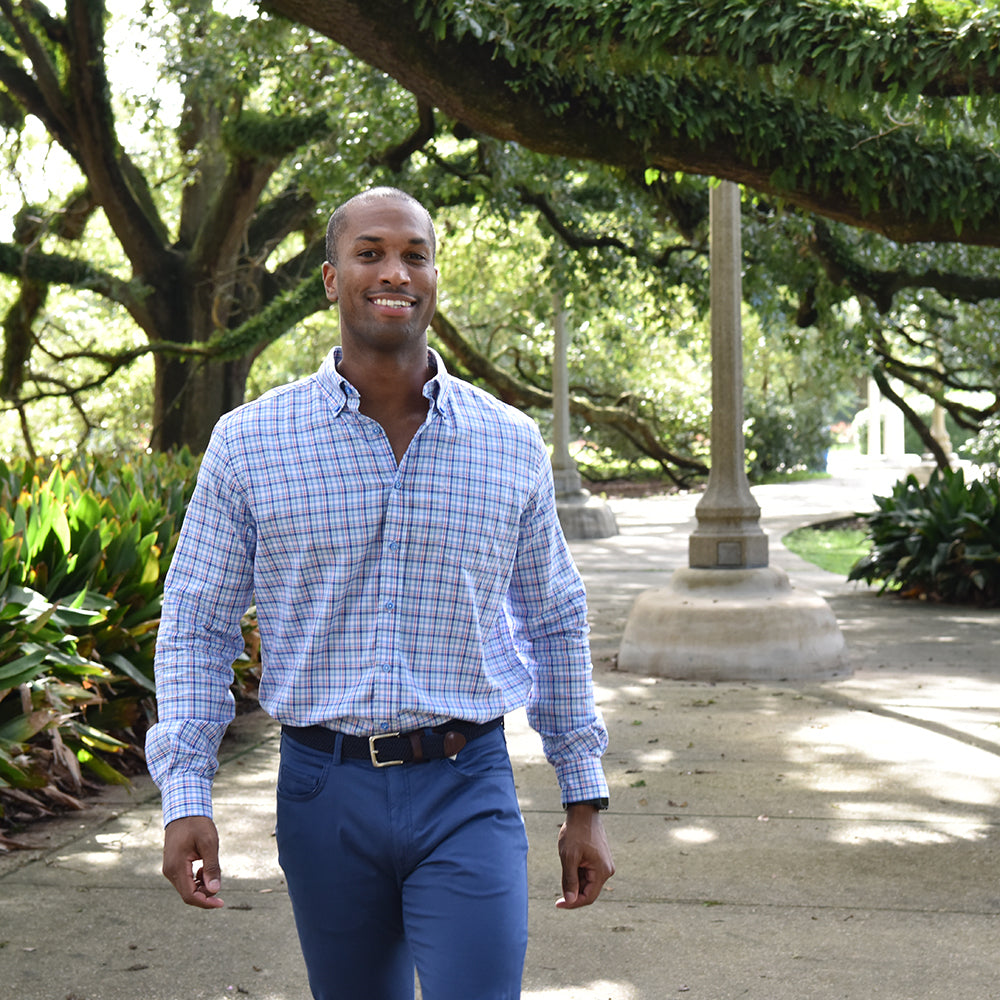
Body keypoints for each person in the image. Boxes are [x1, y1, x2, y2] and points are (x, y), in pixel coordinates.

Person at [146, 186, 614, 1000]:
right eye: (371, 253)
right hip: (323, 793)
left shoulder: (508, 442)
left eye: (414, 253)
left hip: (467, 783)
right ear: (332, 278)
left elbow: (554, 618)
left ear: (434, 277)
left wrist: (585, 795)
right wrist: (186, 794)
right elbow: (196, 625)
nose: (394, 270)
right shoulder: (251, 443)